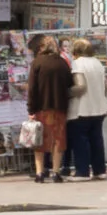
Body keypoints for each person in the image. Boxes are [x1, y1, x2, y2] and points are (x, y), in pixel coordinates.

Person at [27, 35, 74, 184]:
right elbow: (70, 83)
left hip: (41, 108)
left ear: (41, 47)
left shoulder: (37, 63)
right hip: (60, 107)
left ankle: (39, 173)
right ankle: (56, 172)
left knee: (39, 140)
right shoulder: (62, 63)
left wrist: (30, 110)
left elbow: (32, 89)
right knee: (58, 140)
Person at [67, 38, 107, 181]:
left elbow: (80, 87)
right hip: (99, 107)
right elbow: (105, 86)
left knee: (81, 141)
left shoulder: (77, 64)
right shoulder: (98, 63)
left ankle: (82, 172)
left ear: (76, 50)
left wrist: (66, 92)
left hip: (82, 108)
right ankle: (100, 171)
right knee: (96, 140)